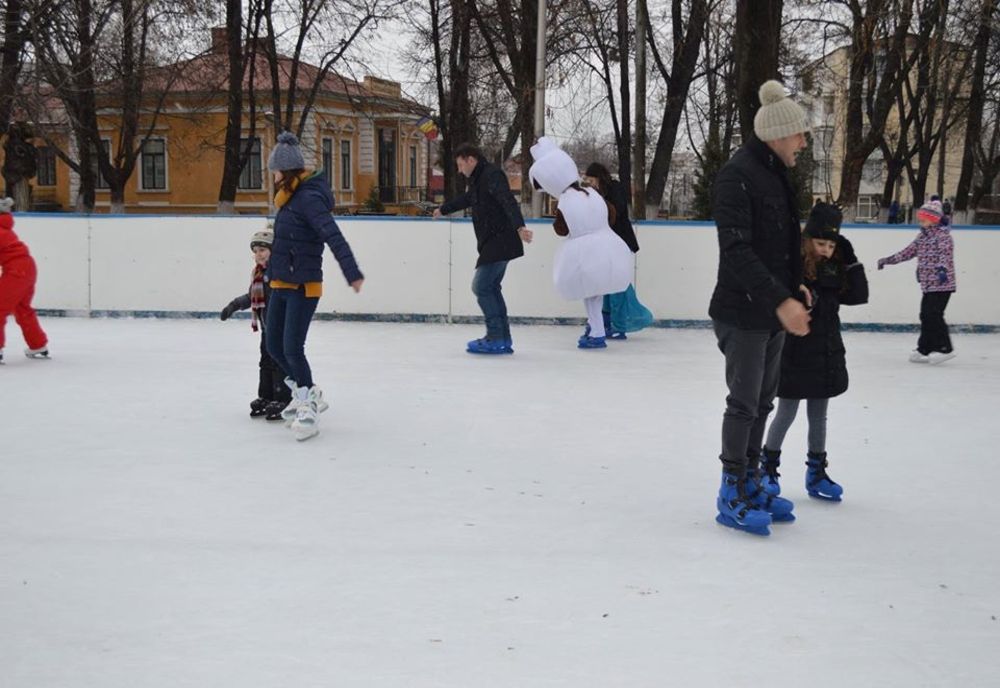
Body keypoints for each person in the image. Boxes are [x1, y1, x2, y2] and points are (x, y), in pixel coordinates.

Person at [709, 79, 811, 536]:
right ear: (777, 134)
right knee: (745, 404)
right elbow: (737, 250)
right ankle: (731, 489)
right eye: (799, 135)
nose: (803, 144)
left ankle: (752, 480)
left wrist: (798, 287)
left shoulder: (774, 174)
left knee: (764, 402)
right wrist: (781, 299)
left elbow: (782, 246)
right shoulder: (736, 176)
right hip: (742, 310)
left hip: (770, 309)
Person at [760, 202, 869, 503]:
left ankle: (816, 472)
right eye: (821, 243)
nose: (826, 249)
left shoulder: (834, 267)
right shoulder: (792, 268)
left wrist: (850, 257)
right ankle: (767, 467)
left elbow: (859, 296)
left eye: (832, 244)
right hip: (794, 352)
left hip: (826, 353)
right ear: (808, 241)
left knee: (819, 416)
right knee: (786, 412)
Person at [265, 131, 364, 441]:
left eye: (276, 172)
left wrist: (352, 271)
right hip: (282, 281)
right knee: (273, 346)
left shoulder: (308, 198)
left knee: (292, 348)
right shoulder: (288, 200)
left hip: (304, 285)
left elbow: (332, 234)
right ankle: (308, 391)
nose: (274, 177)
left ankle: (308, 404)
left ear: (288, 172)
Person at [529, 138, 633, 349]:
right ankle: (597, 329)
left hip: (585, 251)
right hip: (606, 244)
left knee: (590, 293)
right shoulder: (591, 193)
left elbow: (562, 228)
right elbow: (612, 213)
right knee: (596, 293)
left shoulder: (565, 201)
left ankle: (596, 332)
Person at [433, 143, 533, 354]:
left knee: (481, 286)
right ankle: (503, 338)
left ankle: (496, 337)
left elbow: (508, 201)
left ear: (471, 160)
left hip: (500, 240)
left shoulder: (492, 175)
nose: (460, 170)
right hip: (494, 242)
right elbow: (468, 199)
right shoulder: (479, 179)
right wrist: (444, 209)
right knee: (491, 287)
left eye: (461, 165)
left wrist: (520, 226)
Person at [220, 225, 292, 421]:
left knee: (279, 363)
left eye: (263, 250)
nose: (258, 255)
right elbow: (252, 295)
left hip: (282, 327)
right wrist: (233, 305)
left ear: (273, 250)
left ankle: (284, 397)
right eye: (255, 251)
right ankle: (266, 396)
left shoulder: (281, 273)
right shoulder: (258, 273)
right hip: (267, 328)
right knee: (265, 362)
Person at [877, 199, 956, 364]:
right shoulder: (922, 237)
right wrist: (887, 260)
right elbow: (907, 253)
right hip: (928, 285)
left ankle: (945, 348)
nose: (921, 221)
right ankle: (924, 349)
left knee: (933, 315)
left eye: (924, 218)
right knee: (925, 315)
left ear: (934, 219)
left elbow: (945, 255)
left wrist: (942, 270)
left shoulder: (943, 236)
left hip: (942, 284)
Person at [582, 162, 653, 339]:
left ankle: (619, 324)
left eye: (591, 179)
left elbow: (618, 212)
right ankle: (606, 322)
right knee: (605, 284)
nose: (589, 183)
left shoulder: (615, 188)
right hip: (606, 244)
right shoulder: (595, 193)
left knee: (617, 286)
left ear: (599, 177)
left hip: (621, 243)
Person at [0, 197, 49, 364]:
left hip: (16, 271)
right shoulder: (5, 228)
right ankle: (38, 345)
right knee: (22, 308)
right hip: (27, 268)